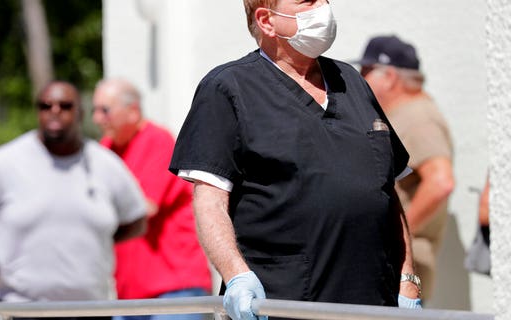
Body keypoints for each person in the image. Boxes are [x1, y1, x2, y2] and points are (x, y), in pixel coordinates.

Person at [168, 1, 422, 319]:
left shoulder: (351, 82)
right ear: (267, 21)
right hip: (285, 302)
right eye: (308, 0)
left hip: (372, 302)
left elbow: (387, 193)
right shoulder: (229, 88)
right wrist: (237, 275)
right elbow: (210, 200)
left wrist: (407, 277)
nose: (324, 8)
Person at [0, 80, 147, 320]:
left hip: (93, 310)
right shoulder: (8, 160)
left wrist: (96, 235)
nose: (55, 111)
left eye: (65, 105)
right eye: (45, 105)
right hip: (20, 310)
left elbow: (137, 219)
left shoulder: (104, 164)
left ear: (80, 112)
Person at [91, 78, 212, 320]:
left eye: (105, 110)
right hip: (129, 295)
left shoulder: (157, 140)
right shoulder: (105, 150)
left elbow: (144, 207)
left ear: (133, 111)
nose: (97, 118)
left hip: (175, 290)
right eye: (94, 110)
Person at [357, 35, 455, 301]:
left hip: (401, 267)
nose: (360, 77)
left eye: (366, 71)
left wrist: (396, 236)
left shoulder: (418, 117)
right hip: (396, 264)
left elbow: (440, 182)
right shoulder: (407, 113)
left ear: (389, 76)